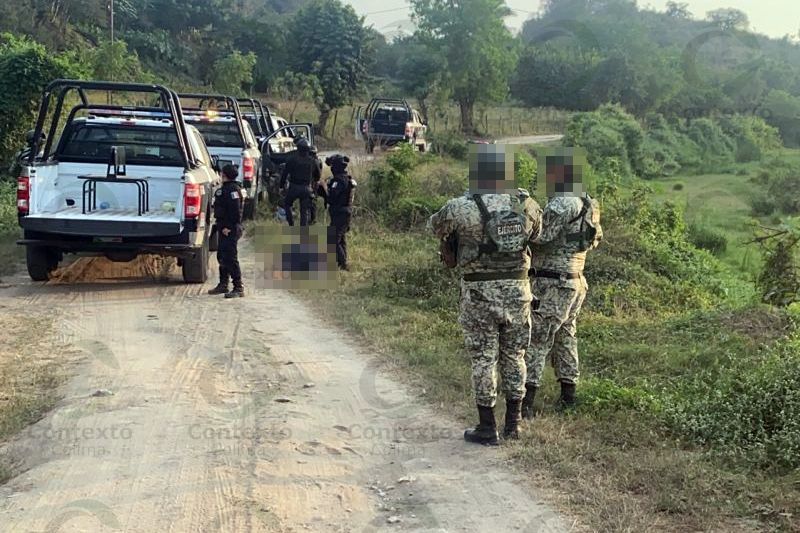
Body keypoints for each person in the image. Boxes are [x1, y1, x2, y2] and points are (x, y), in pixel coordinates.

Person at [429, 144, 542, 445]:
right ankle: (514, 425)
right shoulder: (526, 203)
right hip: (519, 292)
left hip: (479, 293)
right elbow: (538, 236)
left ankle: (487, 427)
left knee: (483, 358)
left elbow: (434, 226)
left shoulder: (460, 206)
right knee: (515, 356)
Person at [522, 153, 602, 418]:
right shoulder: (588, 203)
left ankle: (526, 403)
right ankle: (569, 396)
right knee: (566, 336)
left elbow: (542, 236)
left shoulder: (562, 204)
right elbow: (594, 239)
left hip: (553, 281)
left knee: (537, 338)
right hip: (576, 279)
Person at [208, 164, 245, 298]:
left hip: (229, 229)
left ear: (224, 175)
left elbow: (235, 212)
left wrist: (227, 227)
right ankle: (223, 284)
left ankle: (238, 287)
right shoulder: (230, 189)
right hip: (225, 227)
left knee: (230, 258)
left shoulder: (231, 191)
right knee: (222, 256)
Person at [318, 154, 356, 270]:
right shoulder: (343, 179)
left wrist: (324, 188)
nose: (331, 169)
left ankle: (344, 264)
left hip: (341, 212)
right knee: (340, 239)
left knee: (333, 239)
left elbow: (332, 198)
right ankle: (340, 263)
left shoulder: (340, 181)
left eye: (333, 166)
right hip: (340, 213)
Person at [280, 138, 320, 226]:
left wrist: (281, 185)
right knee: (304, 211)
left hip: (294, 187)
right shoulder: (313, 161)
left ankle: (291, 223)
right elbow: (318, 176)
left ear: (297, 148)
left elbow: (285, 173)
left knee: (287, 204)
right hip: (306, 188)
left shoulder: (291, 159)